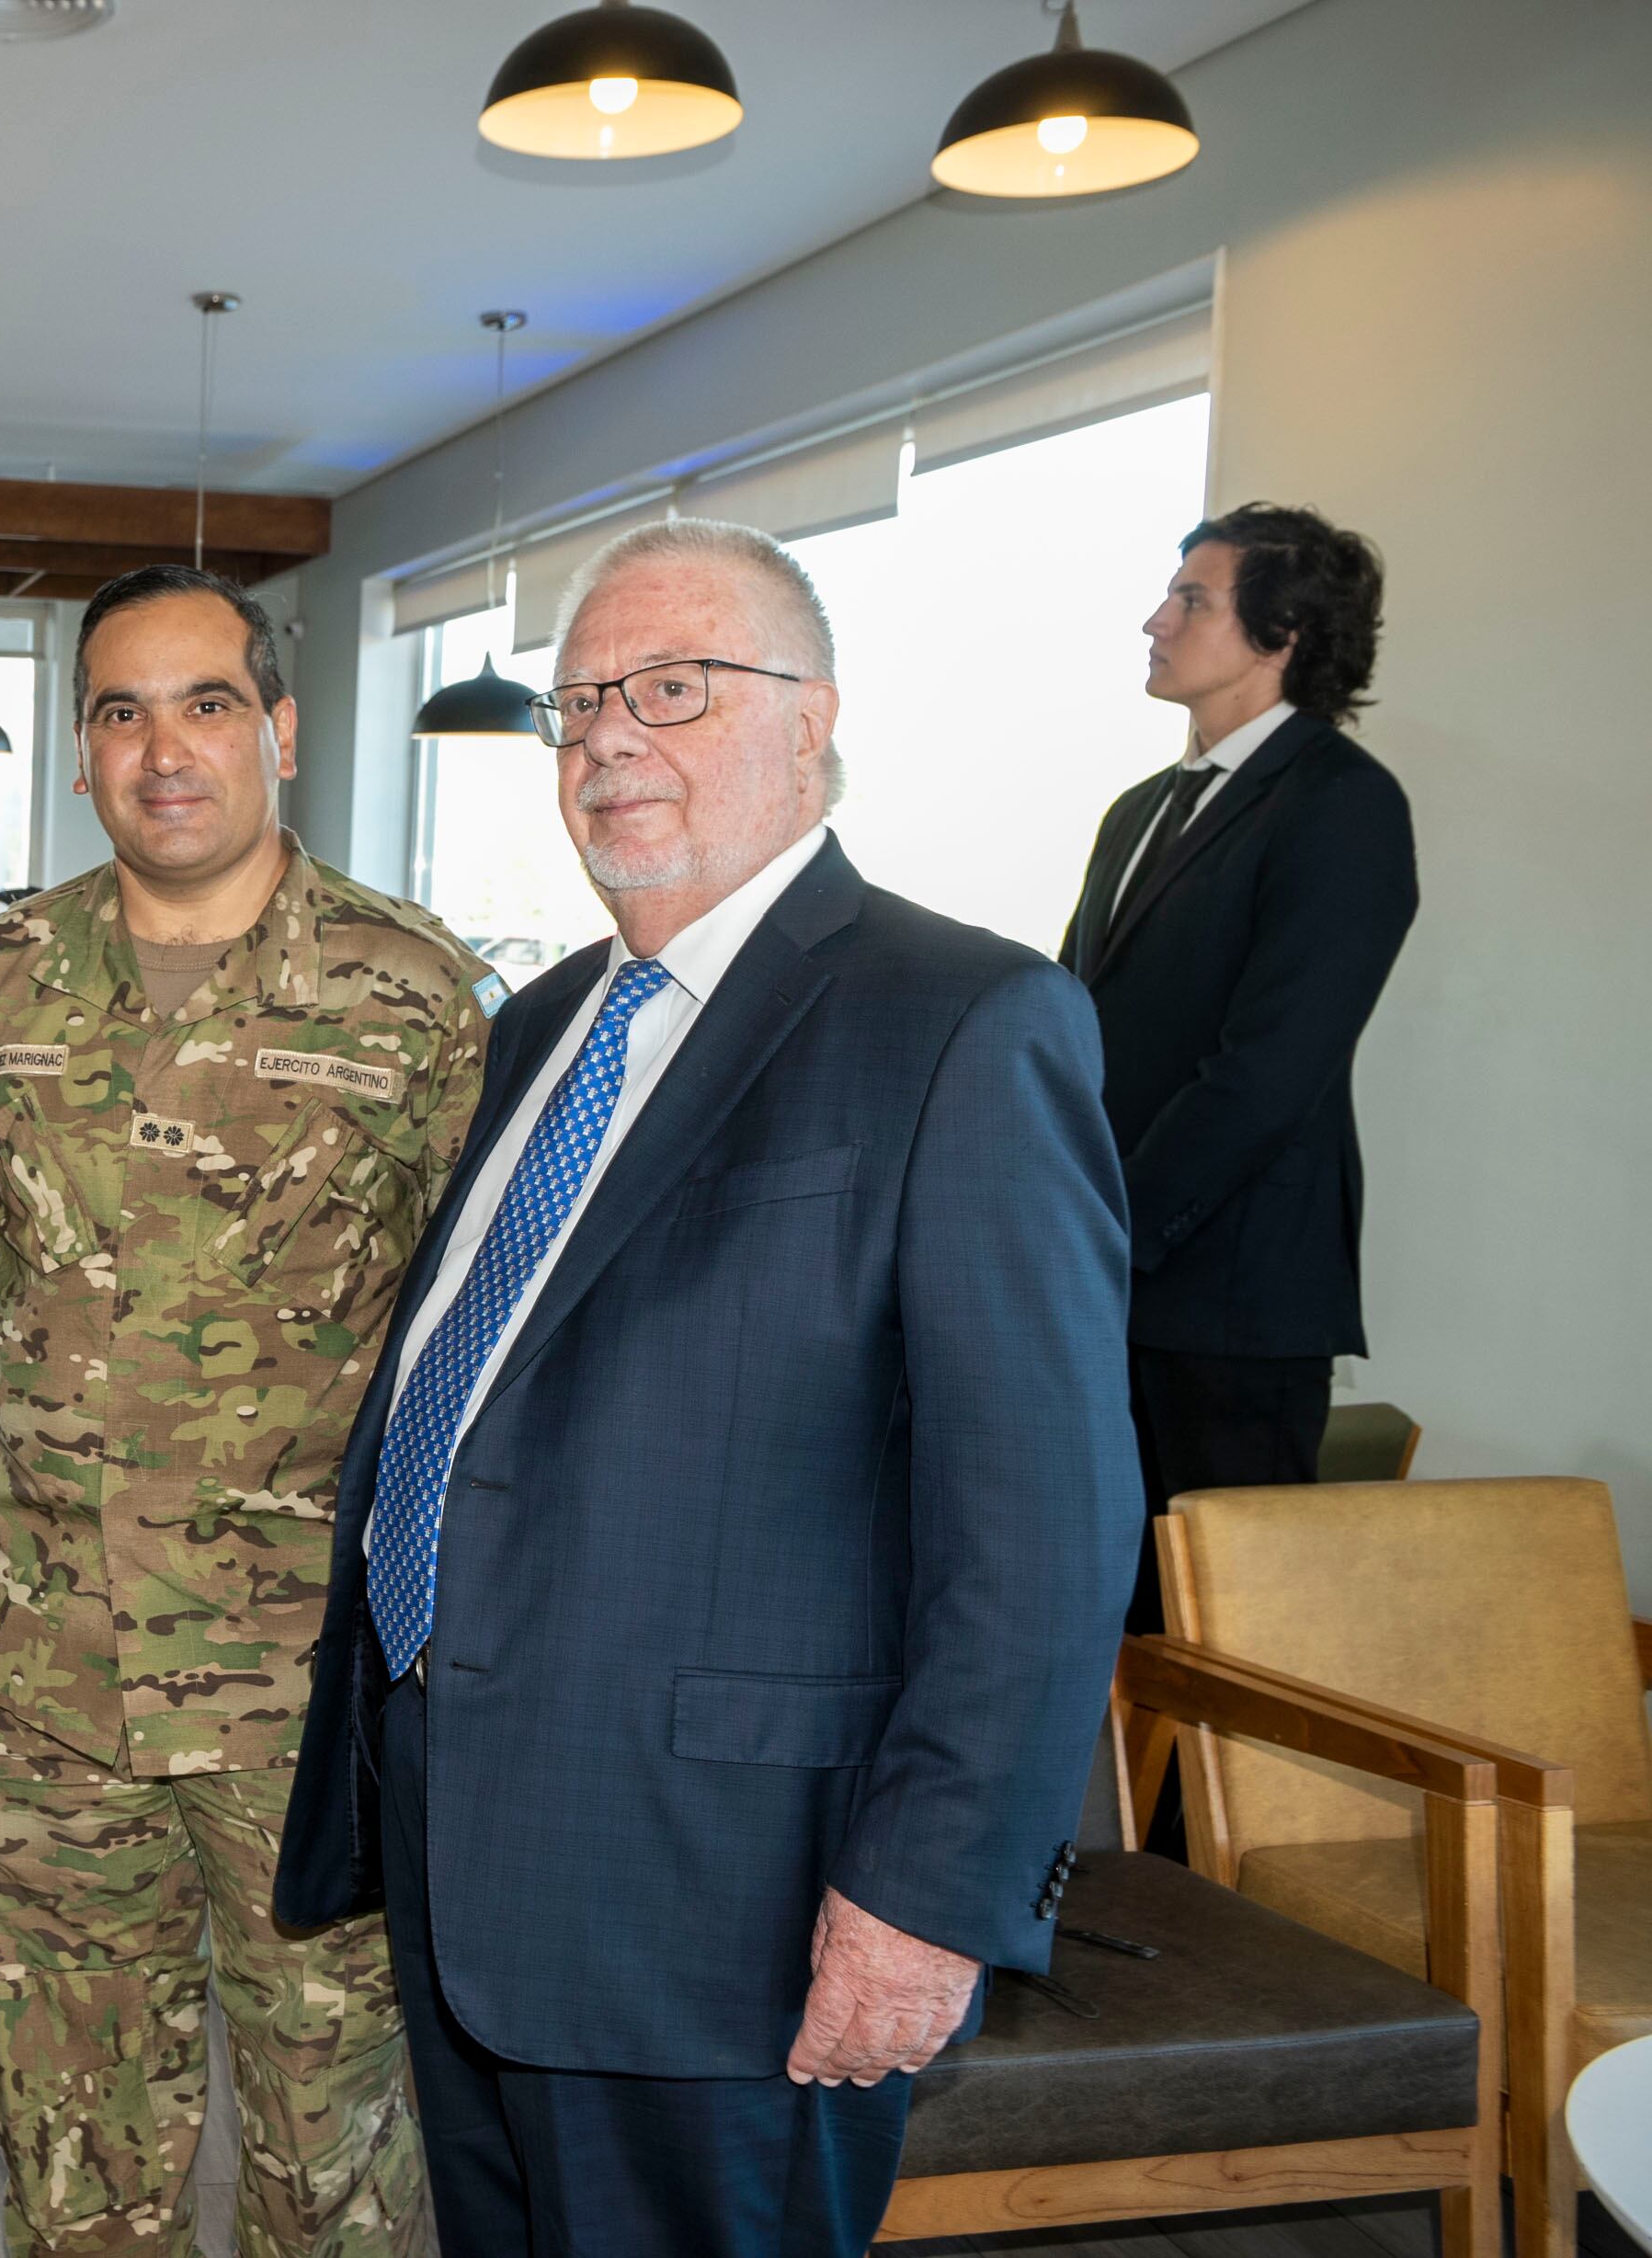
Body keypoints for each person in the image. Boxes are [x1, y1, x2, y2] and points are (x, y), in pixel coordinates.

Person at [278, 519, 1140, 2257]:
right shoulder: (539, 1029)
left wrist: (925, 1898)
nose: (606, 736)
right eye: (580, 701)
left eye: (672, 689)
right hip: (471, 1836)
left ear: (808, 717)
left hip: (726, 1899)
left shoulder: (961, 1021)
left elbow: (1042, 1525)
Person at [0, 564, 485, 2258]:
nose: (167, 751)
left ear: (280, 731)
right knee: (78, 2143)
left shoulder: (415, 997)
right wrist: (125, 1335)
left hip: (308, 1688)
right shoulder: (1, 978)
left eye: (208, 703)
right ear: (83, 756)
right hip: (44, 1680)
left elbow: (477, 1319)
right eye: (124, 712)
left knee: (339, 2152)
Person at [1058, 504, 1417, 1627]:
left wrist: (1112, 1232)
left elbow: (1268, 1069)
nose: (1154, 619)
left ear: (1281, 636)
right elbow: (1072, 1026)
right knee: (1108, 1616)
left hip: (1232, 1297)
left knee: (1232, 1645)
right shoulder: (1136, 811)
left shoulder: (1342, 805)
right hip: (1109, 1284)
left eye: (1192, 600)